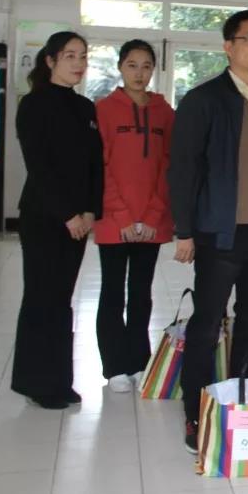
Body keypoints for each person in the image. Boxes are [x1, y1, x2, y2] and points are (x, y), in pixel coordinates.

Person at [169, 10, 248, 453]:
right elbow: (182, 169)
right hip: (219, 233)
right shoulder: (203, 100)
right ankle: (196, 410)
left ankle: (244, 399)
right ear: (228, 46)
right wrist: (184, 230)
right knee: (206, 324)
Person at [12, 31, 102, 409]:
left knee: (62, 300)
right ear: (50, 61)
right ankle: (36, 382)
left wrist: (89, 210)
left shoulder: (85, 107)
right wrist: (67, 214)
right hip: (45, 218)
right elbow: (40, 167)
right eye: (70, 56)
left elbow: (95, 165)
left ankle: (60, 380)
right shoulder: (33, 105)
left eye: (83, 56)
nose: (78, 63)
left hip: (78, 219)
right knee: (41, 297)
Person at [94, 40, 174, 394]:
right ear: (120, 67)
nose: (139, 73)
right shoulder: (103, 109)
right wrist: (122, 215)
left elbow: (169, 166)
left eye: (146, 66)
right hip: (114, 220)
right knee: (113, 292)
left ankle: (139, 361)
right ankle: (114, 366)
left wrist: (153, 214)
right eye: (132, 65)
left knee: (141, 293)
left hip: (152, 221)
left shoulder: (164, 112)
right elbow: (100, 166)